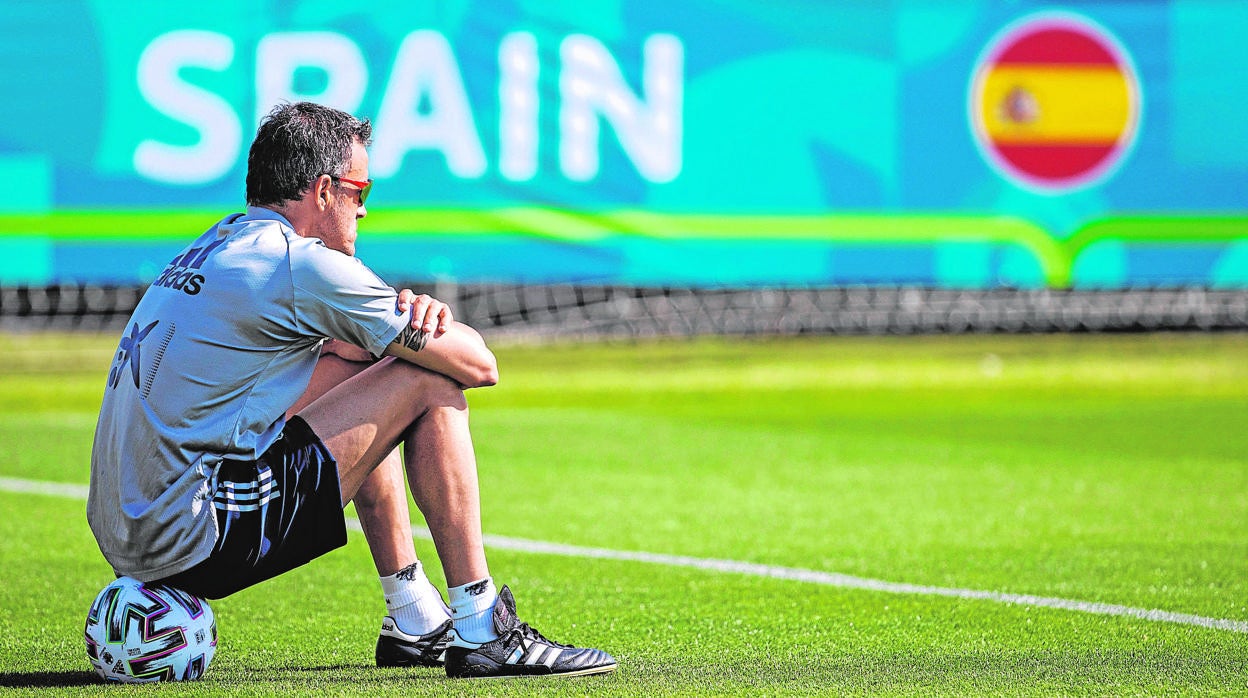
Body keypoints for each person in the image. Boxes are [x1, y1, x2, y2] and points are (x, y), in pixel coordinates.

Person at [87, 101, 616, 679]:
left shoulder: (218, 244)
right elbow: (479, 364)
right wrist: (423, 324)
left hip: (129, 536)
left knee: (368, 361)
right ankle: (482, 624)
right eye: (360, 192)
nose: (363, 210)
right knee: (426, 376)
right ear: (322, 190)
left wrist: (394, 333)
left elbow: (347, 359)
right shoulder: (299, 264)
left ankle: (414, 616)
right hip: (198, 537)